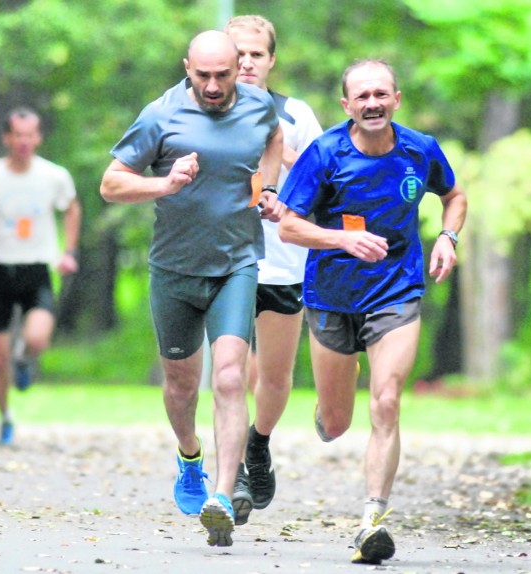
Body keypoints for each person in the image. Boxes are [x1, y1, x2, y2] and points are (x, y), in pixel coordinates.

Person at [278, 59, 467, 564]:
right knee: (336, 423)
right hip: (331, 298)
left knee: (386, 402)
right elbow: (289, 227)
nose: (372, 103)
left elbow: (454, 195)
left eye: (381, 94)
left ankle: (372, 521)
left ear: (396, 99)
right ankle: (336, 392)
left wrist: (448, 236)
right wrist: (343, 238)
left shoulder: (419, 150)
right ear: (347, 106)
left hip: (396, 293)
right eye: (362, 96)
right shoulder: (324, 153)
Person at [99, 30, 283, 548]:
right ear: (187, 67)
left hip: (237, 265)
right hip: (175, 270)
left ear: (237, 69)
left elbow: (273, 140)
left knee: (229, 378)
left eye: (222, 75)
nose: (212, 85)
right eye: (202, 75)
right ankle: (189, 456)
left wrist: (266, 188)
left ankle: (221, 497)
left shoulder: (259, 106)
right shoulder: (161, 115)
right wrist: (165, 183)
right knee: (181, 387)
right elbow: (111, 183)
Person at [224, 15, 323, 526]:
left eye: (255, 54)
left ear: (271, 61)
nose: (245, 62)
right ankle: (235, 470)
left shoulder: (296, 113)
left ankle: (258, 443)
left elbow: (326, 180)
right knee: (232, 370)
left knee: (276, 375)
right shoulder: (206, 108)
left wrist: (280, 147)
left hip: (283, 261)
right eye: (237, 52)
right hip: (225, 258)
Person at [0, 107, 81, 447]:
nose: (24, 142)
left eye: (30, 135)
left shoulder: (53, 176)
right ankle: (5, 416)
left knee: (37, 338)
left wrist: (68, 251)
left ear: (38, 137)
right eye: (18, 135)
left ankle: (25, 360)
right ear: (6, 138)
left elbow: (71, 206)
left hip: (36, 267)